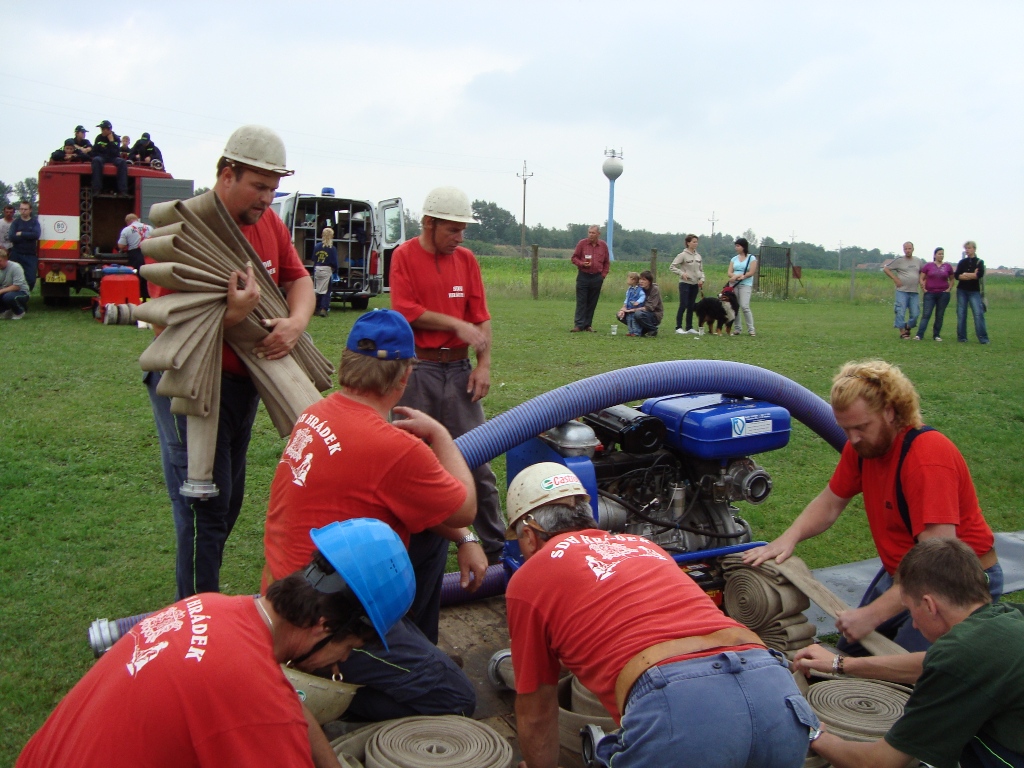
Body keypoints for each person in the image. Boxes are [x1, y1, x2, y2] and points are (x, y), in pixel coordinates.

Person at [17, 518, 416, 768]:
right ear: (323, 626)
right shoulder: (255, 699)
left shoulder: (213, 607)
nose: (340, 663)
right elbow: (272, 713)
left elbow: (287, 709)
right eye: (349, 649)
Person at [505, 463, 818, 768]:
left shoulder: (530, 577)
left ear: (530, 535)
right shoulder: (645, 545)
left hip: (678, 703)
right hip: (774, 687)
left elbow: (536, 709)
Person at [263, 309, 480, 721]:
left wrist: (465, 538)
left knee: (434, 535)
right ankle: (313, 693)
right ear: (403, 377)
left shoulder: (316, 413)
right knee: (455, 698)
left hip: (288, 587)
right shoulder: (395, 448)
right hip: (326, 622)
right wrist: (440, 434)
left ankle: (415, 655)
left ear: (348, 364)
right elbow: (466, 505)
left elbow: (440, 515)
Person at [146, 124, 315, 600]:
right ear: (226, 174)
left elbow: (298, 279)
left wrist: (296, 322)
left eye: (273, 188)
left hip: (244, 386)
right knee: (204, 507)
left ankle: (204, 609)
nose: (267, 198)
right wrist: (231, 316)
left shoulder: (270, 225)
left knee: (230, 498)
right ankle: (198, 619)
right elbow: (168, 323)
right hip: (192, 386)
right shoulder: (186, 227)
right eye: (258, 186)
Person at [743, 359, 1001, 653]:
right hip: (904, 574)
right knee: (850, 652)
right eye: (845, 428)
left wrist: (872, 615)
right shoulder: (864, 447)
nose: (852, 438)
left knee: (908, 674)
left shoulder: (927, 459)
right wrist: (787, 539)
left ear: (891, 411)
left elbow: (937, 567)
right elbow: (830, 503)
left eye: (861, 427)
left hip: (953, 585)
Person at [794, 538, 1024, 768]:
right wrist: (840, 664)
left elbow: (878, 763)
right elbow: (931, 663)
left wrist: (814, 735)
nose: (913, 625)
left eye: (911, 612)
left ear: (929, 605)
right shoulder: (1008, 617)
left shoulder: (959, 658)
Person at [389, 185, 505, 634]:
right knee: (409, 462)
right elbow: (406, 310)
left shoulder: (467, 261)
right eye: (453, 228)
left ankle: (495, 551)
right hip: (416, 370)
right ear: (430, 224)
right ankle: (408, 549)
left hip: (458, 372)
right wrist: (454, 323)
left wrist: (484, 364)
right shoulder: (403, 257)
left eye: (462, 229)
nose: (459, 236)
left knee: (476, 463)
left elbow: (481, 316)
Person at [570, 224, 610, 332]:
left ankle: (588, 325)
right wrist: (582, 264)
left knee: (592, 302)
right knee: (581, 301)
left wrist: (603, 276)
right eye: (589, 232)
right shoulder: (582, 244)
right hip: (583, 275)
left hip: (597, 277)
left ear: (598, 234)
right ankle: (579, 325)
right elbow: (574, 258)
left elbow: (606, 262)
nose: (591, 235)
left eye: (593, 233)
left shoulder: (603, 246)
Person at [882, 241, 922, 339]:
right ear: (903, 250)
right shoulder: (899, 260)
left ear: (913, 249)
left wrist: (922, 282)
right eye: (905, 249)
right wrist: (895, 279)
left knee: (915, 313)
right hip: (902, 291)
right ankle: (902, 332)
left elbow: (922, 272)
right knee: (900, 311)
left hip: (914, 291)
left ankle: (908, 326)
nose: (907, 251)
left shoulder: (918, 261)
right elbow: (886, 269)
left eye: (909, 249)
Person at [914, 247, 954, 341]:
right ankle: (919, 335)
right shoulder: (928, 266)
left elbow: (952, 279)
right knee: (926, 314)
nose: (941, 255)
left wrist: (949, 288)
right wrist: (923, 288)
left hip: (943, 294)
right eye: (939, 254)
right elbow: (921, 278)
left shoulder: (947, 266)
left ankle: (936, 335)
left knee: (939, 315)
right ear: (935, 255)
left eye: (942, 254)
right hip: (930, 294)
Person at [955, 240, 989, 344]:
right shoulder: (962, 262)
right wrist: (970, 275)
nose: (967, 250)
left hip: (974, 291)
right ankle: (962, 337)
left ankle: (983, 338)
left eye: (969, 248)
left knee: (978, 314)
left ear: (974, 249)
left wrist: (965, 275)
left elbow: (978, 275)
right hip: (962, 291)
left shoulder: (979, 262)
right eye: (966, 248)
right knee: (961, 314)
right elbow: (957, 276)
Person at [670, 233, 705, 334]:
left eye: (696, 242)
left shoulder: (698, 256)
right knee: (683, 304)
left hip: (695, 284)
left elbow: (701, 270)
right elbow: (672, 267)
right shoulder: (682, 255)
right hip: (685, 283)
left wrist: (702, 279)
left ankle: (689, 327)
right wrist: (681, 273)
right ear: (688, 243)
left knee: (691, 305)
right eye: (693, 242)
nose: (696, 244)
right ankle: (678, 327)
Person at [117, 213, 153, 299]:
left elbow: (121, 246)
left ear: (127, 222)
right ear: (137, 219)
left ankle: (137, 298)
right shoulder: (149, 228)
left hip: (136, 255)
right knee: (148, 277)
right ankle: (147, 299)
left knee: (136, 277)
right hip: (149, 255)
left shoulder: (127, 229)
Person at [727, 237, 757, 336]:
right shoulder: (734, 259)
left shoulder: (751, 258)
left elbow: (752, 272)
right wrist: (734, 276)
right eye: (736, 246)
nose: (736, 248)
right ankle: (737, 328)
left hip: (745, 284)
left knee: (744, 306)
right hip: (734, 284)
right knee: (735, 307)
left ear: (743, 247)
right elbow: (729, 272)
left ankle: (751, 329)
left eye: (738, 246)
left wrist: (742, 276)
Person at [90, 120, 129, 197]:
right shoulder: (99, 138)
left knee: (122, 162)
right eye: (101, 129)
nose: (102, 131)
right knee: (96, 160)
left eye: (104, 129)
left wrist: (111, 141)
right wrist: (101, 154)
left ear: (109, 129)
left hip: (113, 158)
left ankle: (123, 190)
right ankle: (96, 190)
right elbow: (94, 151)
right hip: (101, 157)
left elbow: (115, 152)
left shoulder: (116, 138)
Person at [9, 200, 40, 292]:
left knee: (31, 279)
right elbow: (12, 237)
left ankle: (25, 294)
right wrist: (28, 236)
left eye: (25, 209)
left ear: (30, 210)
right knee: (12, 278)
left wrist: (21, 233)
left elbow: (36, 235)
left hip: (30, 255)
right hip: (16, 254)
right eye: (21, 209)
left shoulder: (34, 222)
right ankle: (13, 297)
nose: (23, 211)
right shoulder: (16, 223)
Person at [625, 270, 663, 337]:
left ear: (649, 281)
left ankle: (653, 329)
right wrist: (623, 309)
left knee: (638, 314)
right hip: (640, 311)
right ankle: (639, 330)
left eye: (644, 280)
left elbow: (649, 307)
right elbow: (628, 299)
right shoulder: (638, 289)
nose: (641, 281)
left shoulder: (654, 290)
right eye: (640, 279)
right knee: (620, 315)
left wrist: (632, 310)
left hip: (654, 314)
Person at [311, 227, 338, 318]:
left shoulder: (317, 246)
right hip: (327, 269)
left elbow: (313, 258)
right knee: (326, 290)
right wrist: (335, 270)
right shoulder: (332, 248)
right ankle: (323, 308)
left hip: (317, 268)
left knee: (318, 289)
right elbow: (334, 262)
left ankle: (316, 308)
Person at [0, 248, 30, 319]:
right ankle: (6, 311)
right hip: (6, 291)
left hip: (21, 292)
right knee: (5, 295)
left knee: (8, 297)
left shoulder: (16, 267)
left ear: (6, 259)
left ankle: (19, 312)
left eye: (0, 261)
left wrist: (1, 291)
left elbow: (17, 287)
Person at [617, 271, 646, 336]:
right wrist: (625, 305)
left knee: (634, 320)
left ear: (634, 280)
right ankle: (631, 332)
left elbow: (642, 296)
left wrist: (638, 301)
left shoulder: (639, 289)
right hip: (629, 308)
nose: (627, 280)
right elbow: (627, 298)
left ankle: (636, 332)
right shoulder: (629, 289)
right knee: (629, 320)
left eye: (629, 278)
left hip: (636, 308)